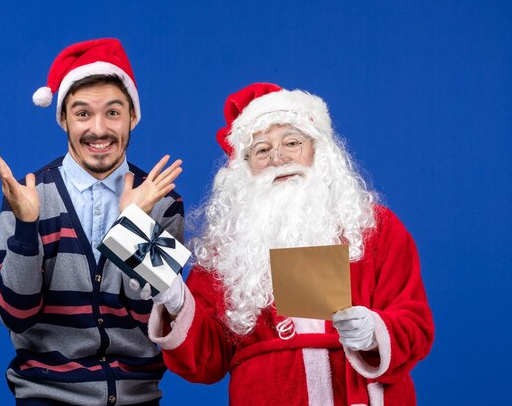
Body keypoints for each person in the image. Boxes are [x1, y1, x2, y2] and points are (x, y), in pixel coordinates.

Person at [146, 83, 434, 405]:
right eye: (262, 150)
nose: (278, 158)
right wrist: (175, 300)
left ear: (318, 151)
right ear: (244, 168)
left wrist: (374, 332)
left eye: (292, 143)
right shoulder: (223, 250)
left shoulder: (375, 226)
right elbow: (207, 363)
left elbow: (416, 323)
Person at [0, 38, 184, 406]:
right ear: (63, 118)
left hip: (138, 397)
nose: (98, 129)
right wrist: (27, 226)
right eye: (82, 114)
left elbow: (153, 319)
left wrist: (135, 224)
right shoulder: (29, 195)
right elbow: (15, 314)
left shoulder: (163, 201)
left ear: (132, 117)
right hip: (46, 395)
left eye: (113, 112)